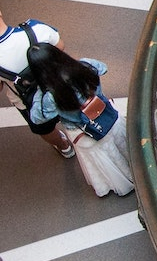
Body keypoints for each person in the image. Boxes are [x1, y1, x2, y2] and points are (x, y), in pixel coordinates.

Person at [27, 43, 134, 197]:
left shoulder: (50, 96)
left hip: (86, 132)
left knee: (102, 160)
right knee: (124, 147)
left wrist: (39, 91)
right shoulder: (85, 65)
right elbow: (103, 68)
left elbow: (37, 118)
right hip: (107, 116)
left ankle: (118, 183)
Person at [0, 12, 73, 158]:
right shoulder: (35, 28)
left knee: (45, 129)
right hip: (59, 85)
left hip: (30, 103)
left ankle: (64, 147)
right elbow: (60, 46)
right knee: (74, 110)